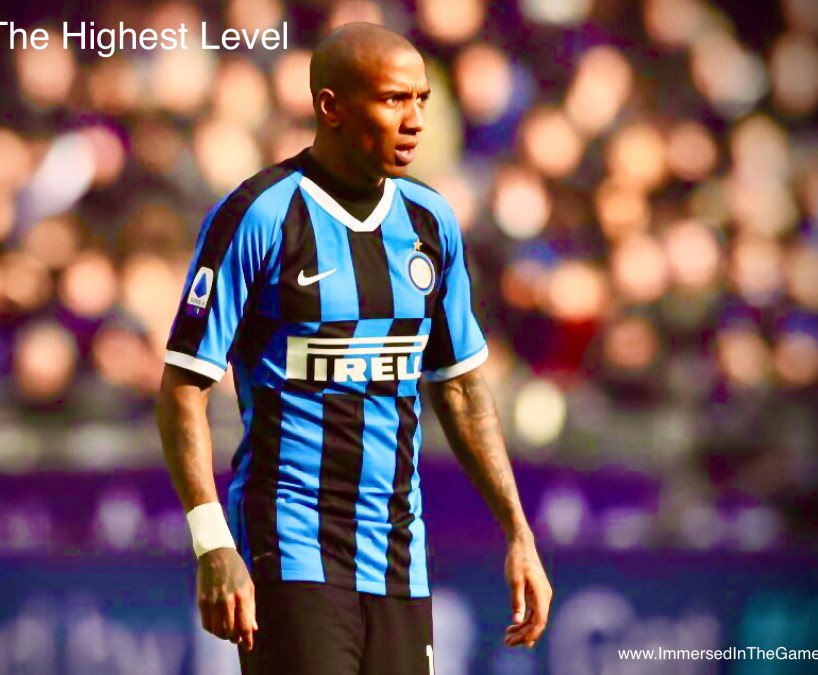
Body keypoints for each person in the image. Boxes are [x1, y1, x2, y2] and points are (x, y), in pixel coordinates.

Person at [156, 22, 552, 675]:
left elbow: (459, 385)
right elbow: (182, 388)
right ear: (331, 106)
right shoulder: (259, 215)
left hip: (399, 554)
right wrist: (211, 543)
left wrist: (518, 531)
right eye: (394, 99)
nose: (416, 119)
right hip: (289, 545)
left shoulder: (431, 221)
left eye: (421, 99)